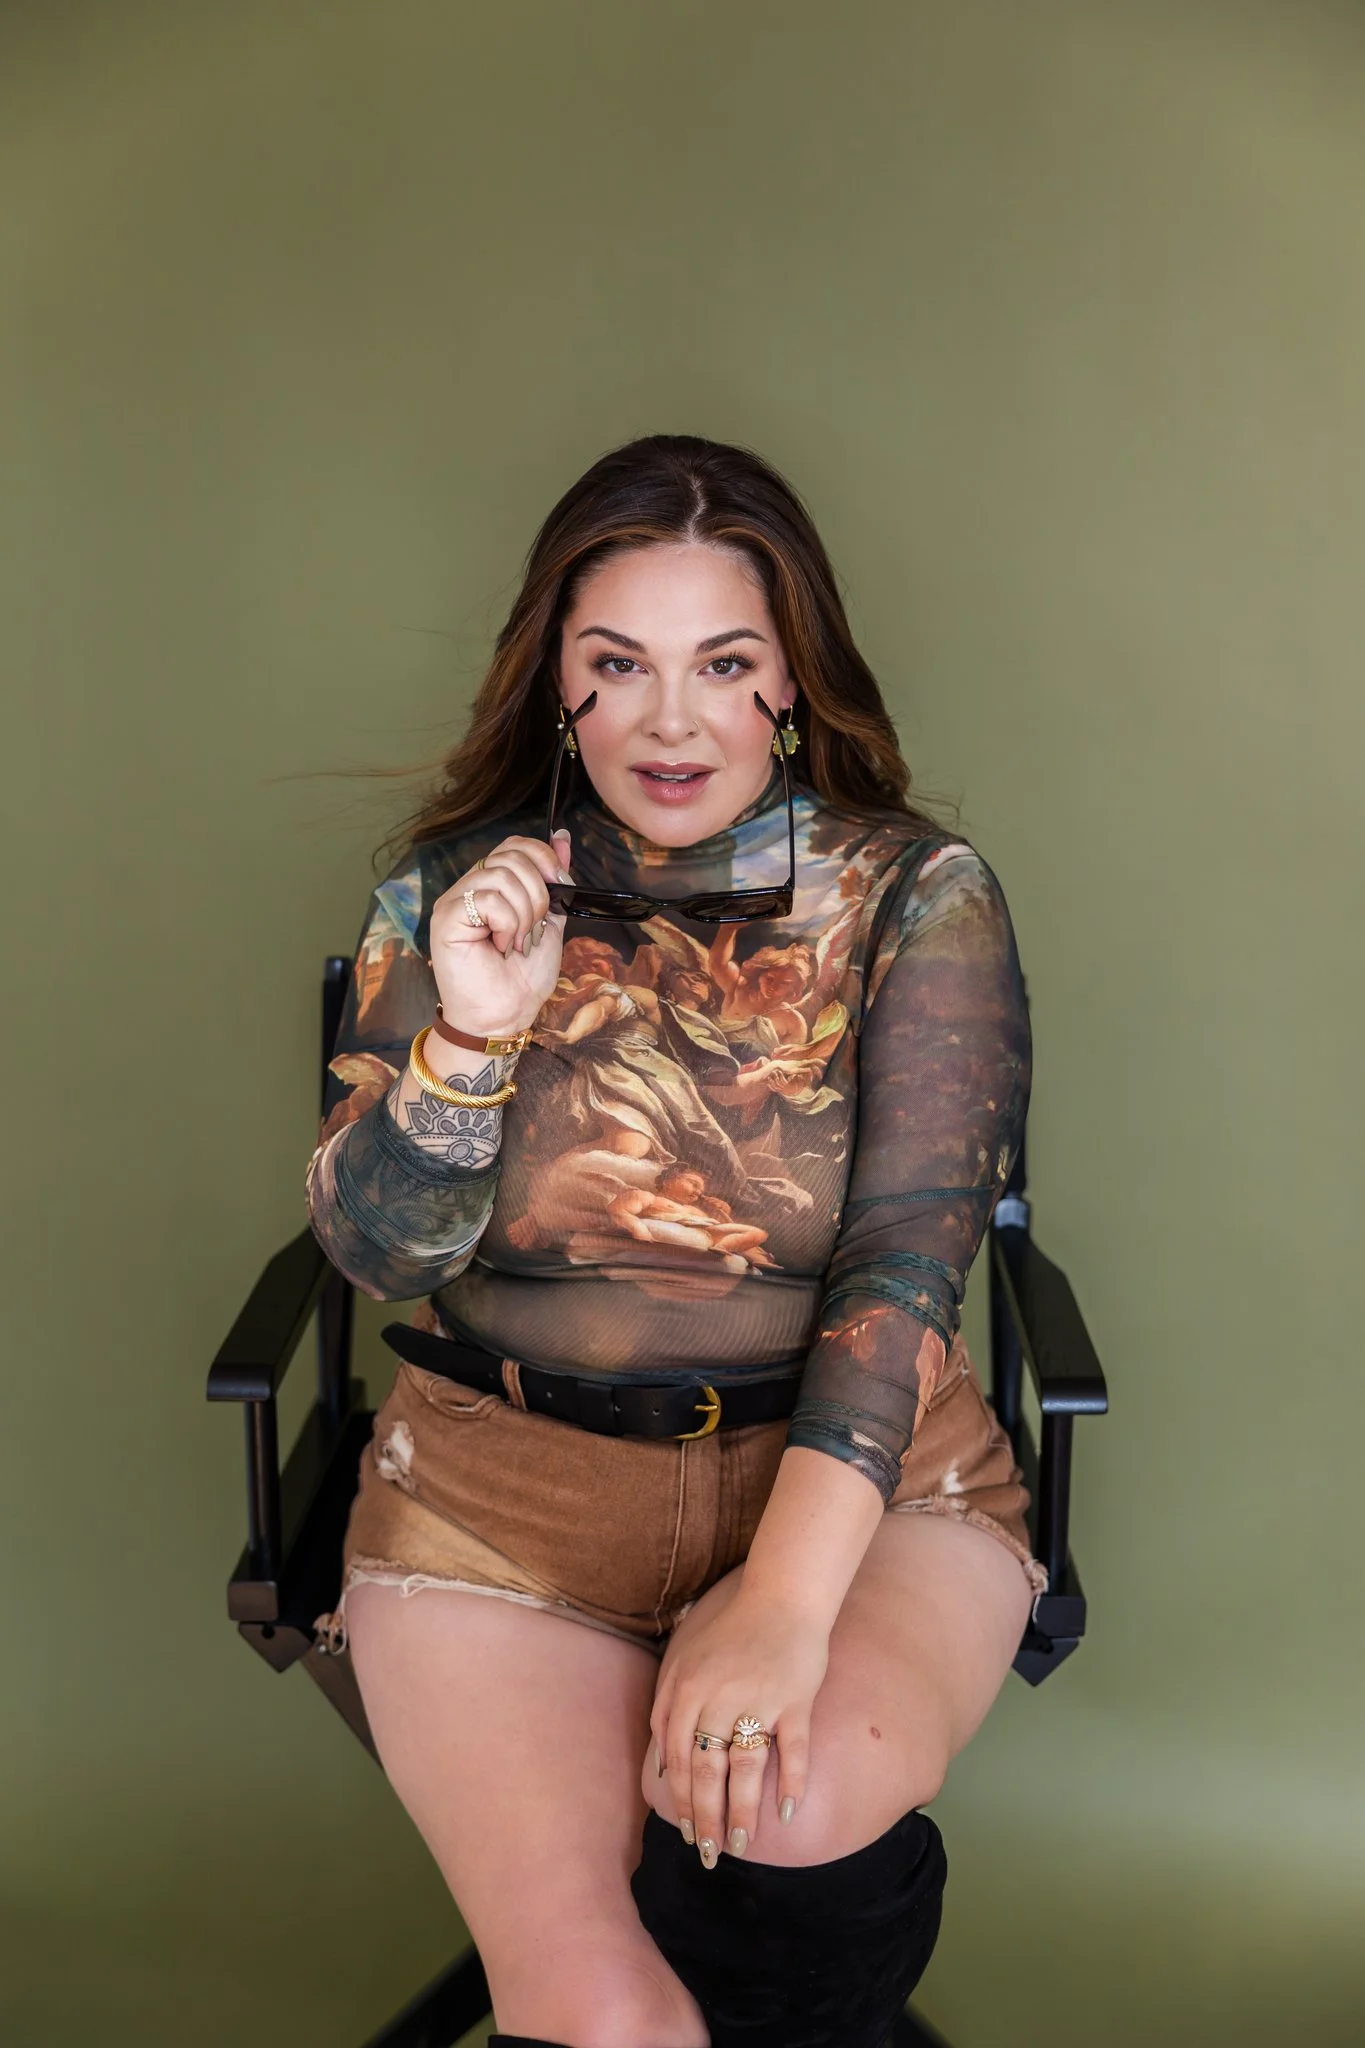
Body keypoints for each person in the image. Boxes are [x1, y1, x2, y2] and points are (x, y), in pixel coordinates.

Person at [308, 434, 1043, 2048]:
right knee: (603, 2020)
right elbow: (381, 1259)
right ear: (555, 686)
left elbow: (908, 1263)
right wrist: (471, 1041)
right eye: (616, 664)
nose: (670, 718)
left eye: (725, 662)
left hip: (861, 1480)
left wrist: (783, 1600)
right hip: (502, 1505)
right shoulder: (450, 901)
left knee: (790, 1818)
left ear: (794, 683)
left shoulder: (915, 896)